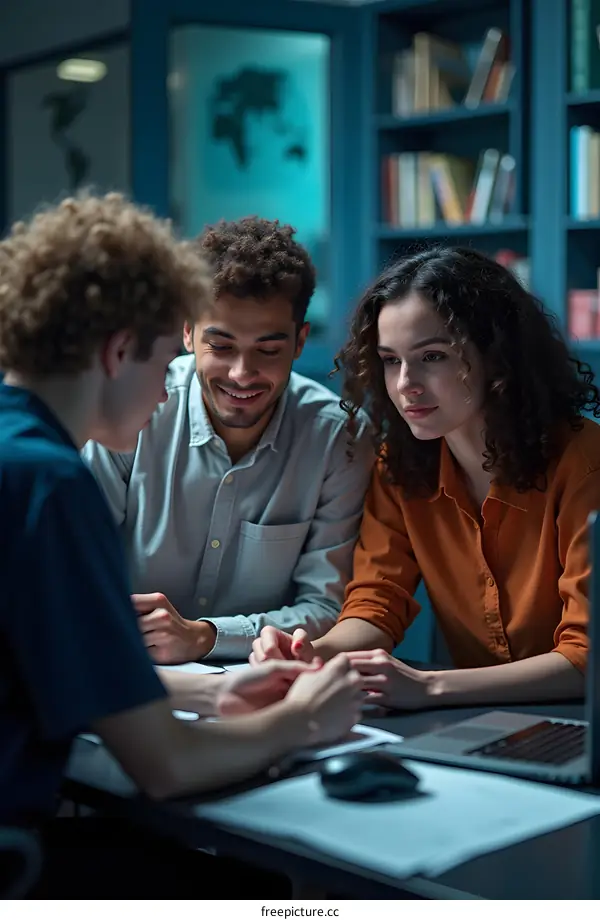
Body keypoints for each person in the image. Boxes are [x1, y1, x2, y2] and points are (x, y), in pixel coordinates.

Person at [0, 193, 362, 897]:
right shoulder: (49, 482)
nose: (172, 393)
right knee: (268, 899)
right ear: (118, 352)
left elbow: (51, 669)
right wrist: (303, 718)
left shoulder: (18, 454)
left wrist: (206, 679)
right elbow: (166, 765)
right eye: (178, 353)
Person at [251, 245, 600, 710]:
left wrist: (429, 687)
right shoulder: (400, 465)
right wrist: (310, 655)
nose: (405, 383)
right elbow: (377, 601)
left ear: (497, 357)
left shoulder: (583, 462)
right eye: (391, 360)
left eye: (432, 356)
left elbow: (586, 659)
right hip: (483, 718)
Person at [82, 216, 373, 664]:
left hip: (263, 679)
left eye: (268, 350)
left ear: (299, 342)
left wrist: (206, 637)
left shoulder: (339, 439)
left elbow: (328, 609)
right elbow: (72, 568)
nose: (242, 373)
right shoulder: (134, 411)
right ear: (186, 333)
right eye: (220, 346)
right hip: (121, 666)